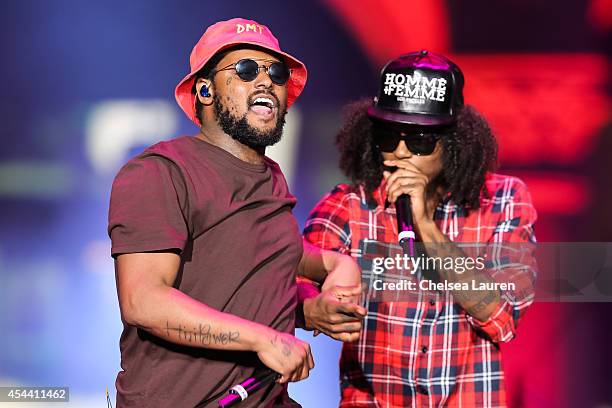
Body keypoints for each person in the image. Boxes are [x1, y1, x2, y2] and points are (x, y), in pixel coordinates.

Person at [108, 18, 364, 408]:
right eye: (246, 70)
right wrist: (265, 338)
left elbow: (268, 265)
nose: (266, 81)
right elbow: (144, 301)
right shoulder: (161, 171)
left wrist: (331, 273)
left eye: (276, 73)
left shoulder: (271, 177)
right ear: (205, 90)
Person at [302, 50, 537, 407]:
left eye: (420, 141)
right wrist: (309, 308)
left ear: (455, 143)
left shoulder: (503, 200)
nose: (399, 152)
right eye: (387, 137)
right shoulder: (350, 205)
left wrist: (426, 226)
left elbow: (501, 316)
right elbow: (287, 281)